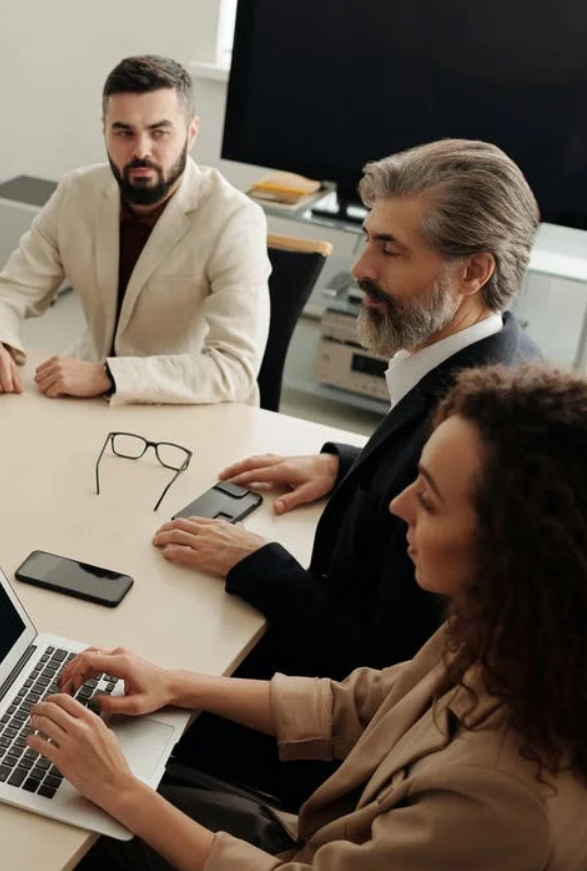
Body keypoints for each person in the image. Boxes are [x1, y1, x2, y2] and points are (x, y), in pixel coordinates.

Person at [28, 363, 587, 871]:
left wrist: (122, 792)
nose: (399, 506)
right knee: (51, 810)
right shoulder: (511, 632)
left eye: (431, 499)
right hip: (319, 859)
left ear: (517, 551)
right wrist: (176, 682)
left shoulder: (505, 795)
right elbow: (357, 706)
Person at [154, 139, 541, 681]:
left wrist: (257, 564)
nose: (360, 268)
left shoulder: (473, 437)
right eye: (367, 240)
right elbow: (419, 470)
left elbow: (380, 665)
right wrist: (350, 466)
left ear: (474, 271)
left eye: (390, 248)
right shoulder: (505, 360)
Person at [0, 55, 269, 405]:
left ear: (191, 133)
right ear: (105, 130)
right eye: (124, 132)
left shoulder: (235, 219)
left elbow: (234, 368)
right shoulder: (75, 193)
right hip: (88, 397)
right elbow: (9, 291)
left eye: (159, 132)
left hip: (192, 405)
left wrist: (108, 376)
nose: (141, 151)